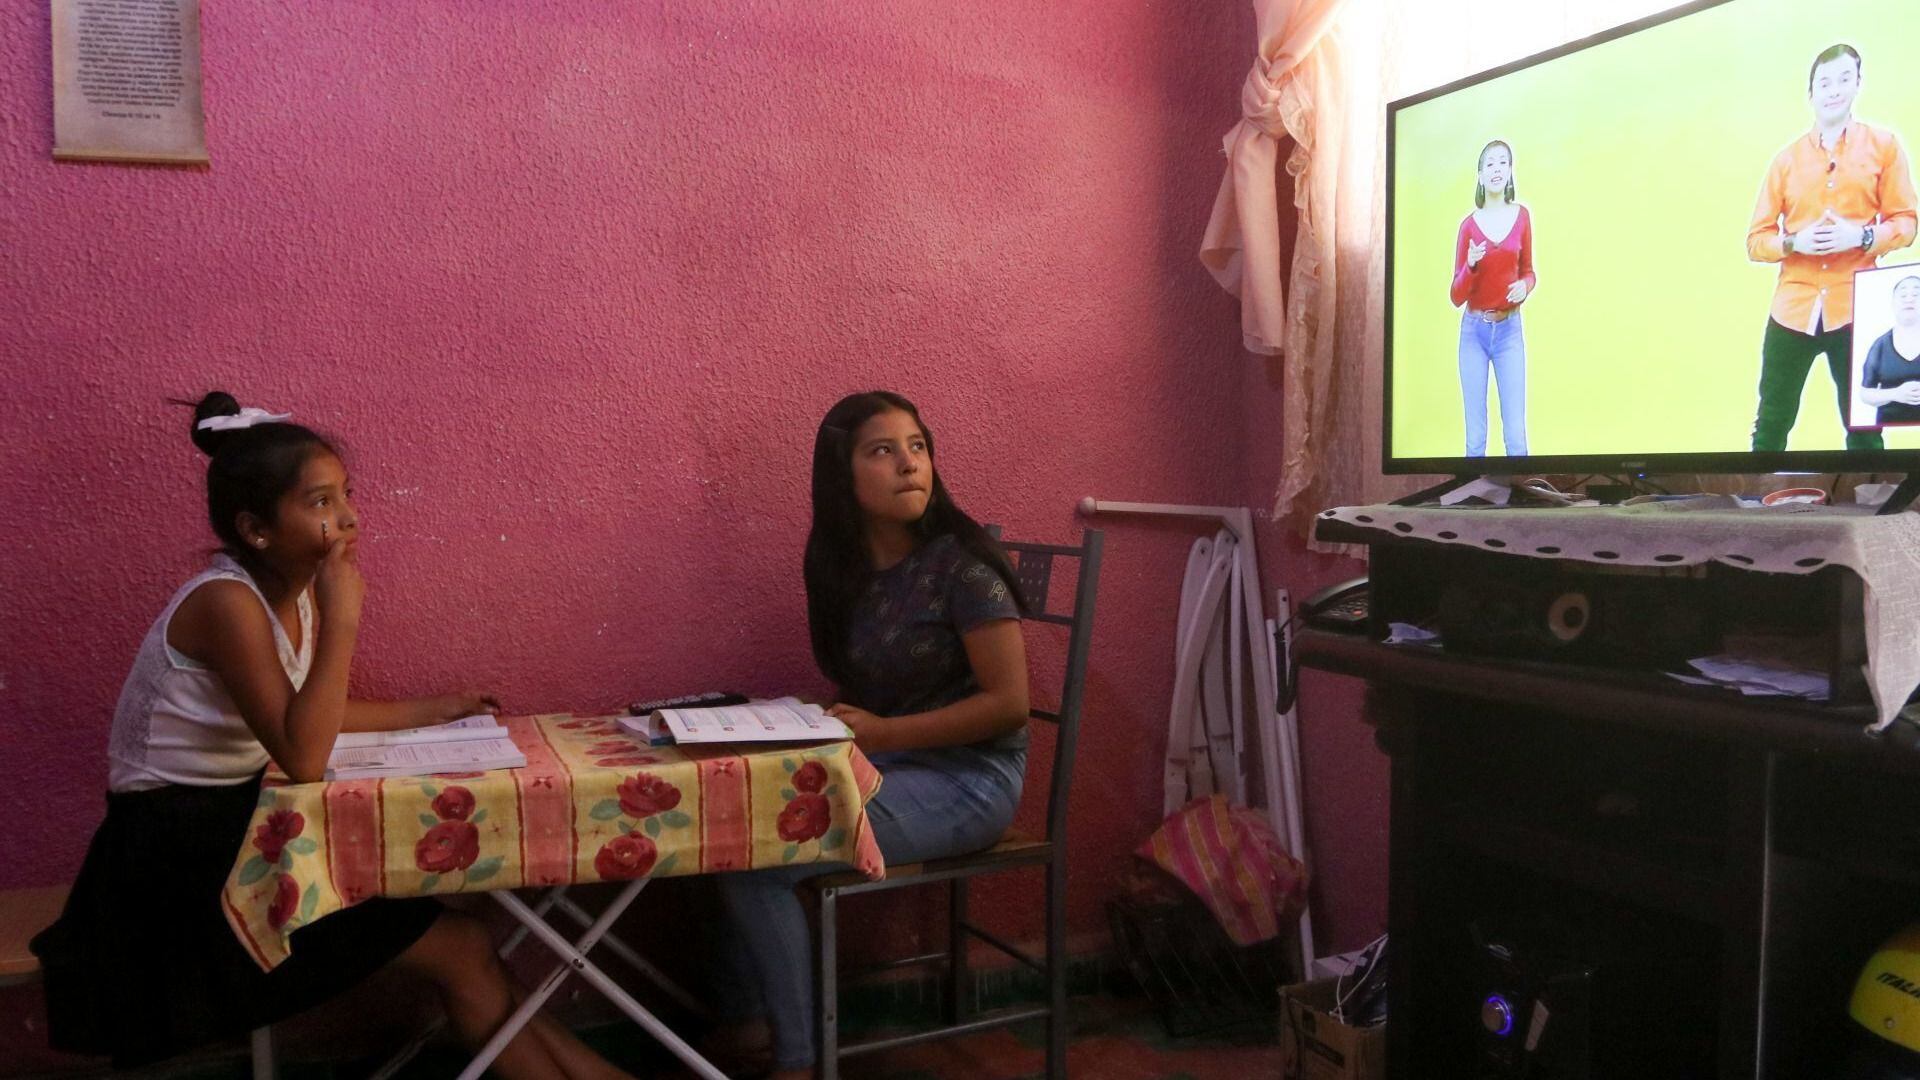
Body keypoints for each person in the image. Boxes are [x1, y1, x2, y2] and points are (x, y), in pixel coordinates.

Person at [30, 393, 631, 1080]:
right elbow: (304, 755)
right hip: (172, 864)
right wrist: (343, 619)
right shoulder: (226, 604)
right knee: (461, 946)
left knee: (465, 941)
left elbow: (309, 716)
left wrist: (434, 709)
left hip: (240, 833)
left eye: (346, 494)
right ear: (256, 529)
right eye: (320, 502)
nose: (347, 517)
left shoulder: (290, 592)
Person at [712, 391, 1031, 1079]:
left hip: (970, 781)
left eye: (917, 447)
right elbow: (872, 691)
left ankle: (795, 1061)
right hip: (891, 764)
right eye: (882, 451)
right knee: (730, 815)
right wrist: (811, 718)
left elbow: (1010, 706)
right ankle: (748, 1025)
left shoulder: (964, 568)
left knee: (761, 858)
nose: (909, 464)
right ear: (842, 475)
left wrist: (883, 734)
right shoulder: (846, 573)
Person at [1747, 43, 1917, 451]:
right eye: (1825, 83)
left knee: (1864, 429)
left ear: (1858, 84)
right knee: (1771, 422)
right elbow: (1756, 241)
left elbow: (1907, 222)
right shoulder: (1786, 160)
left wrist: (1862, 237)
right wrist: (1794, 242)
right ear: (1811, 93)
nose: (1834, 90)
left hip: (1854, 307)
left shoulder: (1884, 146)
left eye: (1844, 79)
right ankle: (1757, 494)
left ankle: (1871, 495)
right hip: (1793, 309)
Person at [1450, 138, 1536, 458]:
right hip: (1474, 332)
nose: (1496, 169)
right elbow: (1456, 295)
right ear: (1480, 175)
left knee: (1515, 434)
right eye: (1490, 163)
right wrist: (1471, 265)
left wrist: (1525, 287)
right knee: (1475, 437)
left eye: (1503, 162)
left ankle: (1522, 489)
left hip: (1509, 331)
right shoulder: (1468, 227)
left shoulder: (1522, 216)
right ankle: (1474, 488)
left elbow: (1529, 272)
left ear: (1510, 171)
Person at [1859, 275, 1920, 426]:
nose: (1909, 299)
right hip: (1890, 429)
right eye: (1903, 295)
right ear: (1893, 303)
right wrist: (1895, 394)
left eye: (1916, 294)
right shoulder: (1880, 345)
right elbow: (1865, 393)